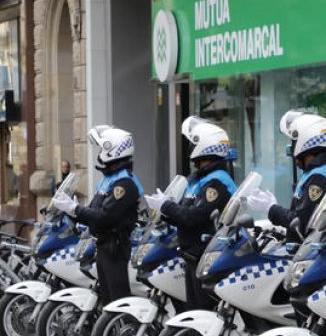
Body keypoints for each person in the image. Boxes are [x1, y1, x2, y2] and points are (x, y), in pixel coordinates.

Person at [147, 117, 236, 311]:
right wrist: (165, 210)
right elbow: (183, 214)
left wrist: (167, 207)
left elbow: (193, 217)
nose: (190, 147)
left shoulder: (218, 182)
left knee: (204, 314)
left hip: (206, 255)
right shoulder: (199, 180)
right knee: (193, 311)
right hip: (192, 255)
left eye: (193, 143)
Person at [51, 126, 142, 303]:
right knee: (107, 300)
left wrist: (75, 209)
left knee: (118, 300)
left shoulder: (124, 183)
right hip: (103, 245)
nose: (100, 153)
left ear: (113, 150)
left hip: (115, 247)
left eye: (103, 148)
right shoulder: (109, 179)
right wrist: (74, 211)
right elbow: (93, 210)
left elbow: (105, 216)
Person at [248, 111, 326, 236]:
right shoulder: (317, 172)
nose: (292, 147)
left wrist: (272, 209)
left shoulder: (319, 177)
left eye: (294, 142)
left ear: (304, 142)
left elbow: (301, 222)